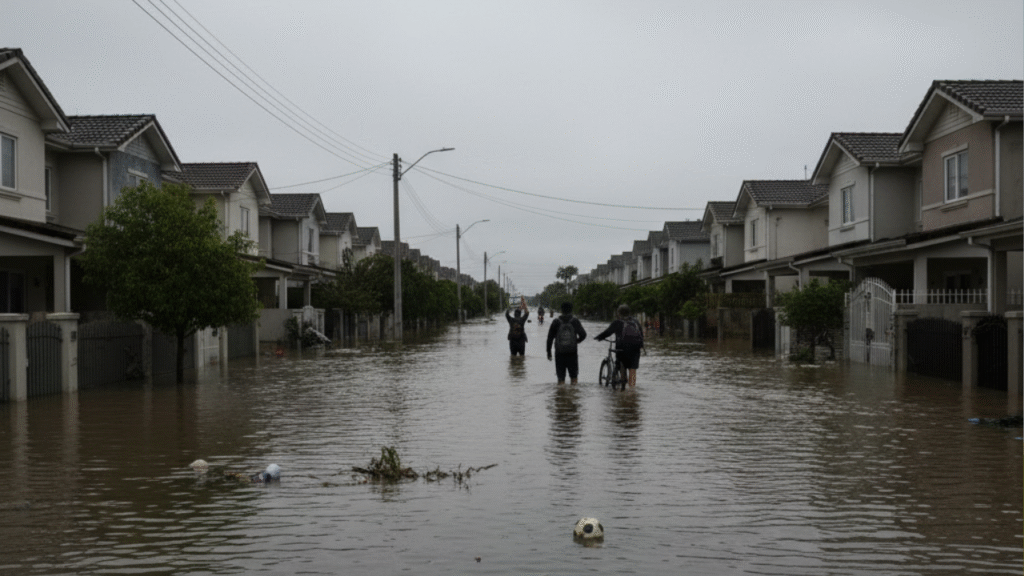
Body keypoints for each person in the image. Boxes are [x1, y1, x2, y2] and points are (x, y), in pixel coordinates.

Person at [594, 304, 644, 387]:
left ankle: (623, 383)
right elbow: (641, 335)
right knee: (633, 369)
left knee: (622, 364)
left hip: (622, 348)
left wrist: (599, 337)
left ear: (619, 313)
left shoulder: (617, 322)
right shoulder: (636, 322)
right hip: (635, 349)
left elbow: (607, 332)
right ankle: (632, 391)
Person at [546, 301, 587, 384]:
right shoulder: (575, 321)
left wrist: (549, 352)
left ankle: (561, 395)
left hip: (559, 353)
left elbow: (549, 338)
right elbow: (583, 334)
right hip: (572, 352)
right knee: (574, 378)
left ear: (561, 310)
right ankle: (573, 395)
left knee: (561, 379)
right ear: (571, 310)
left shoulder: (556, 322)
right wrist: (577, 341)